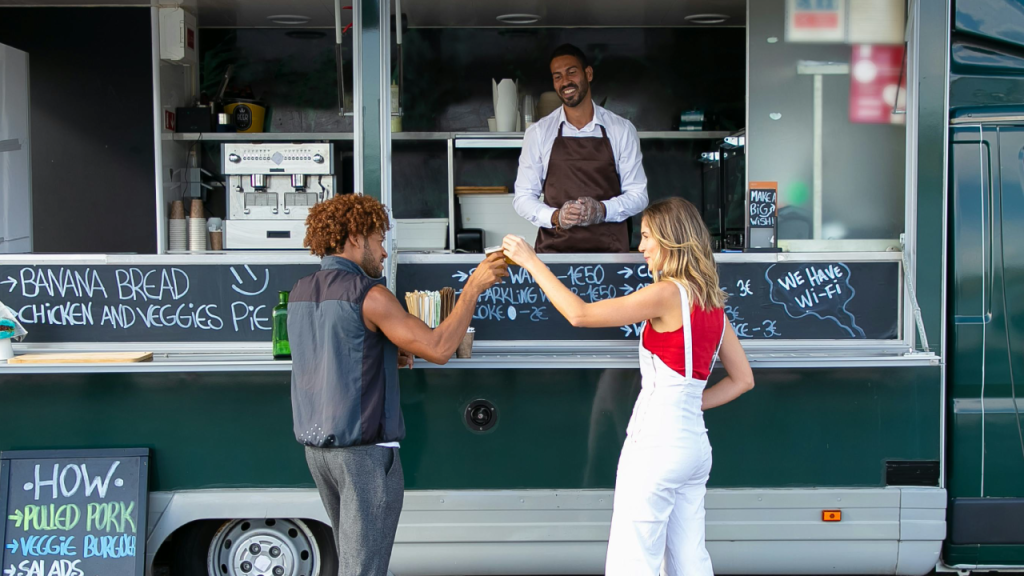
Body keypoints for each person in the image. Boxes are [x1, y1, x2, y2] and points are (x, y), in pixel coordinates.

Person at [502, 197, 755, 575]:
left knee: (633, 563)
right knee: (689, 562)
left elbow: (579, 314)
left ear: (671, 240)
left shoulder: (666, 293)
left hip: (657, 446)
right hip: (694, 448)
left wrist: (530, 260)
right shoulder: (713, 304)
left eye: (648, 237)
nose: (640, 247)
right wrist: (686, 403)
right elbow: (743, 379)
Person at [288, 194, 506, 576]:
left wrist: (389, 356)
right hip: (363, 454)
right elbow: (439, 348)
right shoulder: (369, 295)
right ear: (355, 237)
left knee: (354, 562)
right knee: (364, 570)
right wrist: (472, 288)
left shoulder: (301, 292)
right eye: (378, 239)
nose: (384, 252)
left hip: (318, 452)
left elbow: (336, 359)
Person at [513, 43, 649, 253]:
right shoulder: (539, 133)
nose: (565, 81)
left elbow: (638, 195)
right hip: (554, 255)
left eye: (571, 72)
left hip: (610, 255)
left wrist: (602, 210)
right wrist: (556, 216)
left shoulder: (621, 130)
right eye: (557, 76)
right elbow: (522, 197)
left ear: (588, 73)